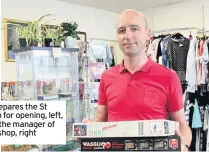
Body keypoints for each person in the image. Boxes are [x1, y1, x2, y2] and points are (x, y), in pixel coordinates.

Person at [83, 9, 192, 151]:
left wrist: (184, 145)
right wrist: (88, 129)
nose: (128, 36)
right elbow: (100, 120)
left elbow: (182, 124)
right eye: (122, 30)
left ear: (148, 34)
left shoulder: (168, 77)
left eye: (134, 29)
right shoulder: (107, 76)